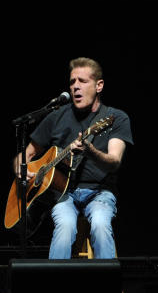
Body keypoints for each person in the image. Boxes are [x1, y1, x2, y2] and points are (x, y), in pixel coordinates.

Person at [15, 57, 133, 259]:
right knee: (64, 227)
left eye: (82, 81)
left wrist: (90, 151)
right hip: (64, 194)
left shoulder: (115, 118)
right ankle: (57, 286)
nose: (76, 87)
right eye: (72, 82)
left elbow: (114, 161)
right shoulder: (56, 116)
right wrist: (21, 171)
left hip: (100, 192)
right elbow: (25, 155)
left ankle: (106, 285)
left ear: (99, 86)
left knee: (100, 224)